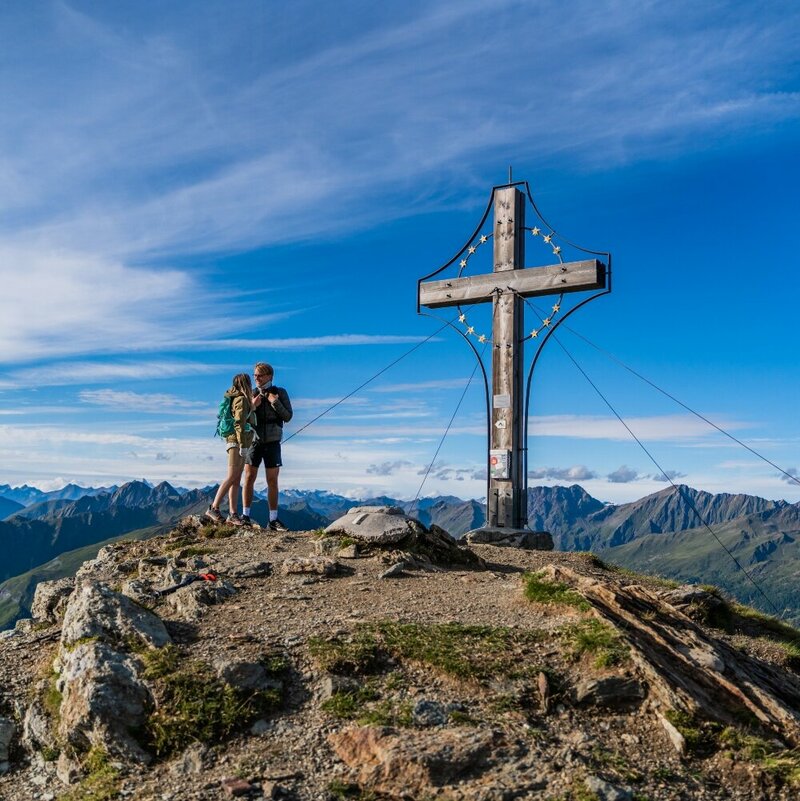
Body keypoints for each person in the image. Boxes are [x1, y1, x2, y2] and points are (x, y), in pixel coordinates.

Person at [242, 362, 293, 530]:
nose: (256, 378)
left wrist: (274, 402)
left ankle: (273, 520)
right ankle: (245, 517)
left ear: (269, 376)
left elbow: (287, 416)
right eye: (255, 375)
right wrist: (252, 406)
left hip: (273, 442)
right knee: (249, 478)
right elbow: (242, 420)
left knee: (272, 481)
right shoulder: (250, 394)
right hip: (254, 441)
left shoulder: (280, 393)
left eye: (260, 375)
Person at [205, 373, 256, 526]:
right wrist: (243, 446)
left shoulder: (236, 397)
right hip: (237, 442)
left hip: (235, 441)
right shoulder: (241, 399)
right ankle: (214, 507)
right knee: (232, 476)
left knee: (236, 478)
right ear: (246, 384)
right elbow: (239, 423)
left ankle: (233, 514)